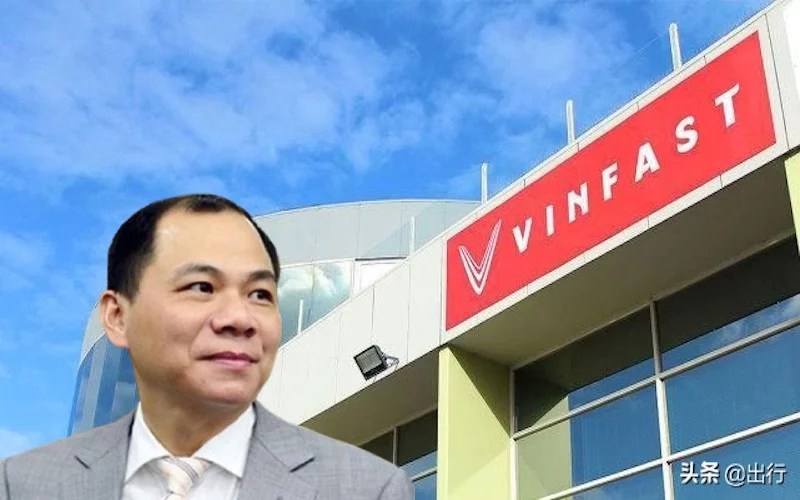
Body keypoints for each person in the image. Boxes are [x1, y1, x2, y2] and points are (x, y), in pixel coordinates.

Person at [0, 194, 413, 500]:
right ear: (118, 316)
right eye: (202, 287)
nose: (240, 318)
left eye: (261, 294)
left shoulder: (368, 489)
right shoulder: (24, 485)